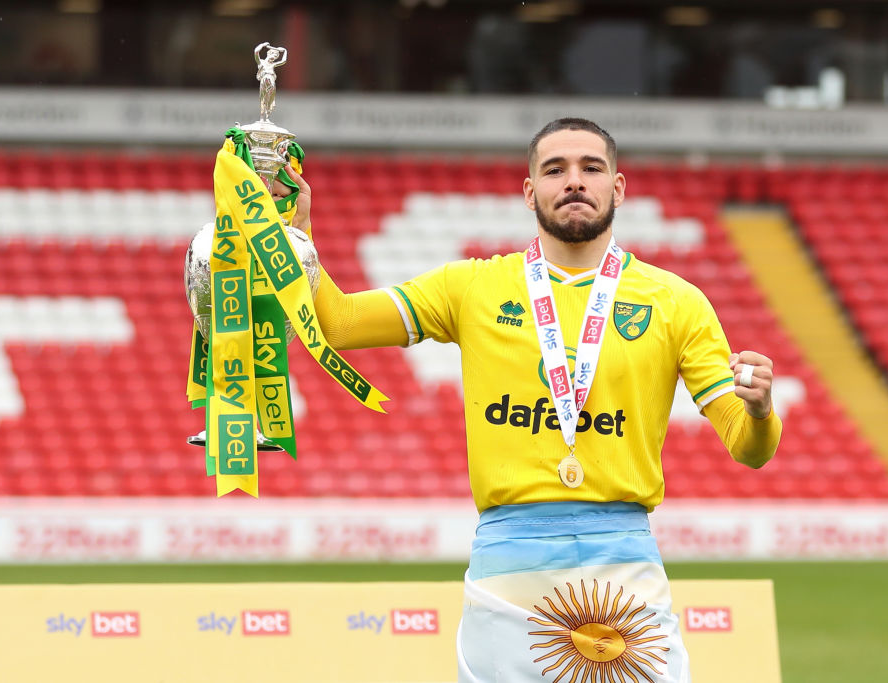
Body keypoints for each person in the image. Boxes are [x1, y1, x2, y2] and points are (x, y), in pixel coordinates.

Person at [281, 118, 781, 682]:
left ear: (618, 188)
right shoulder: (471, 287)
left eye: (592, 168)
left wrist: (759, 411)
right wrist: (296, 238)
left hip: (623, 555)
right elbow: (341, 324)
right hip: (508, 561)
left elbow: (750, 448)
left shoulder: (677, 302)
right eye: (555, 169)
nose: (575, 181)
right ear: (529, 191)